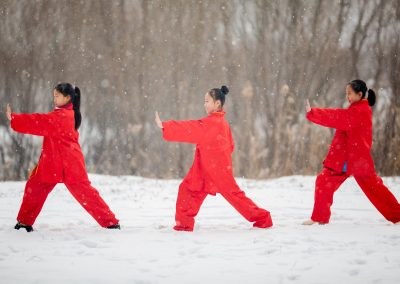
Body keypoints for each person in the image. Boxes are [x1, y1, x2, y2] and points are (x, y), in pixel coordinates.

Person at [155, 85, 273, 231]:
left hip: (217, 170)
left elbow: (191, 128)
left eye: (207, 101)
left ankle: (263, 218)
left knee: (235, 197)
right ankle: (183, 225)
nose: (204, 104)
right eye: (204, 101)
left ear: (217, 103)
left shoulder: (212, 122)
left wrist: (166, 127)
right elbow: (230, 145)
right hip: (205, 168)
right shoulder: (221, 122)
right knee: (187, 189)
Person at [6, 83, 120, 232]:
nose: (54, 98)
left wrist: (15, 119)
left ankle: (110, 222)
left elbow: (38, 121)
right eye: (54, 95)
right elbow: (41, 121)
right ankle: (24, 222)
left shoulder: (62, 116)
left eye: (57, 96)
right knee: (35, 188)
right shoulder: (65, 114)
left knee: (85, 193)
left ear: (67, 98)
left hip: (69, 164)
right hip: (54, 162)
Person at [303, 79, 400, 225]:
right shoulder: (356, 109)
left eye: (349, 93)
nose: (347, 96)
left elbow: (337, 117)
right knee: (324, 181)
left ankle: (397, 215)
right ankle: (319, 218)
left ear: (359, 94)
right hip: (346, 160)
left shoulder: (359, 111)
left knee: (375, 189)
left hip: (356, 160)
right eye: (346, 93)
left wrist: (313, 113)